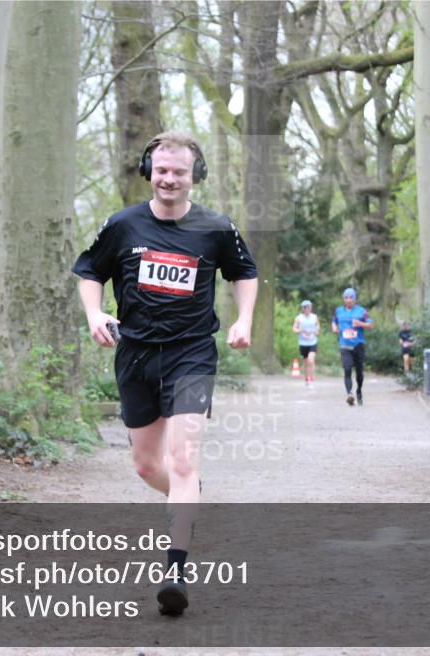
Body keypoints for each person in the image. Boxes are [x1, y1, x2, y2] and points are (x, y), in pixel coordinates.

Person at [71, 131, 258, 616]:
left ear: (195, 174)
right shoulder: (123, 225)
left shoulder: (216, 228)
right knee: (147, 467)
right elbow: (90, 270)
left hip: (191, 353)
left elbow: (244, 273)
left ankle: (175, 569)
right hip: (135, 353)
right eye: (161, 170)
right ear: (148, 171)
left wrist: (243, 319)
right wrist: (94, 314)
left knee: (182, 459)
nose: (169, 178)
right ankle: (189, 500)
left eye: (178, 170)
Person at [331, 287, 372, 406]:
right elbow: (334, 321)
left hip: (358, 345)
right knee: (347, 369)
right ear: (343, 299)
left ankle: (359, 390)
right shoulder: (339, 311)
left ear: (355, 299)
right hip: (345, 345)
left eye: (351, 297)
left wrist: (360, 323)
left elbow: (370, 325)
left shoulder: (361, 311)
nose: (348, 300)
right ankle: (349, 394)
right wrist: (334, 327)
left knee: (359, 372)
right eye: (346, 297)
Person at [292, 299, 320, 387]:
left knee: (311, 360)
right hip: (303, 343)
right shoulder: (298, 318)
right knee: (305, 363)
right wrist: (300, 330)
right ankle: (307, 379)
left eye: (309, 307)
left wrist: (317, 331)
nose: (307, 309)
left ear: (311, 308)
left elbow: (318, 327)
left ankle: (311, 379)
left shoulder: (314, 317)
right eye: (305, 307)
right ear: (303, 309)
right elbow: (294, 329)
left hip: (312, 342)